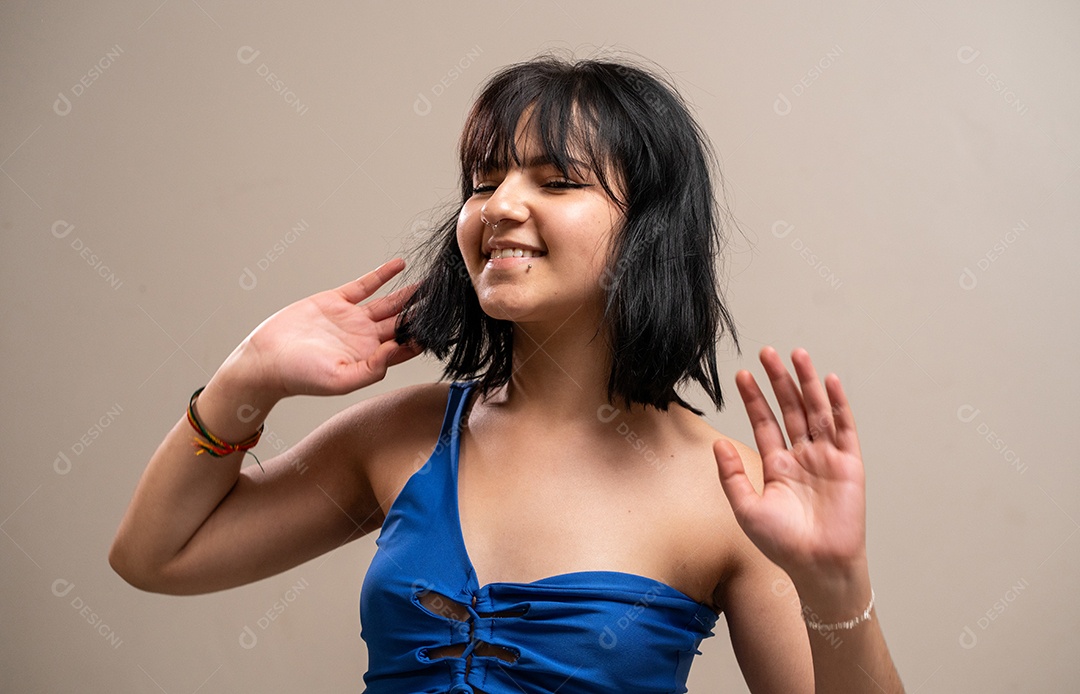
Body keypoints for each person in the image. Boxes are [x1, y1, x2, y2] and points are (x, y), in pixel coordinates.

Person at [110, 54, 905, 693]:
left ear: (650, 231)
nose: (497, 207)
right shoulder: (403, 434)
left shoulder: (733, 494)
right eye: (484, 181)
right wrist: (249, 379)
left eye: (556, 181)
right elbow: (157, 557)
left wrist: (837, 586)